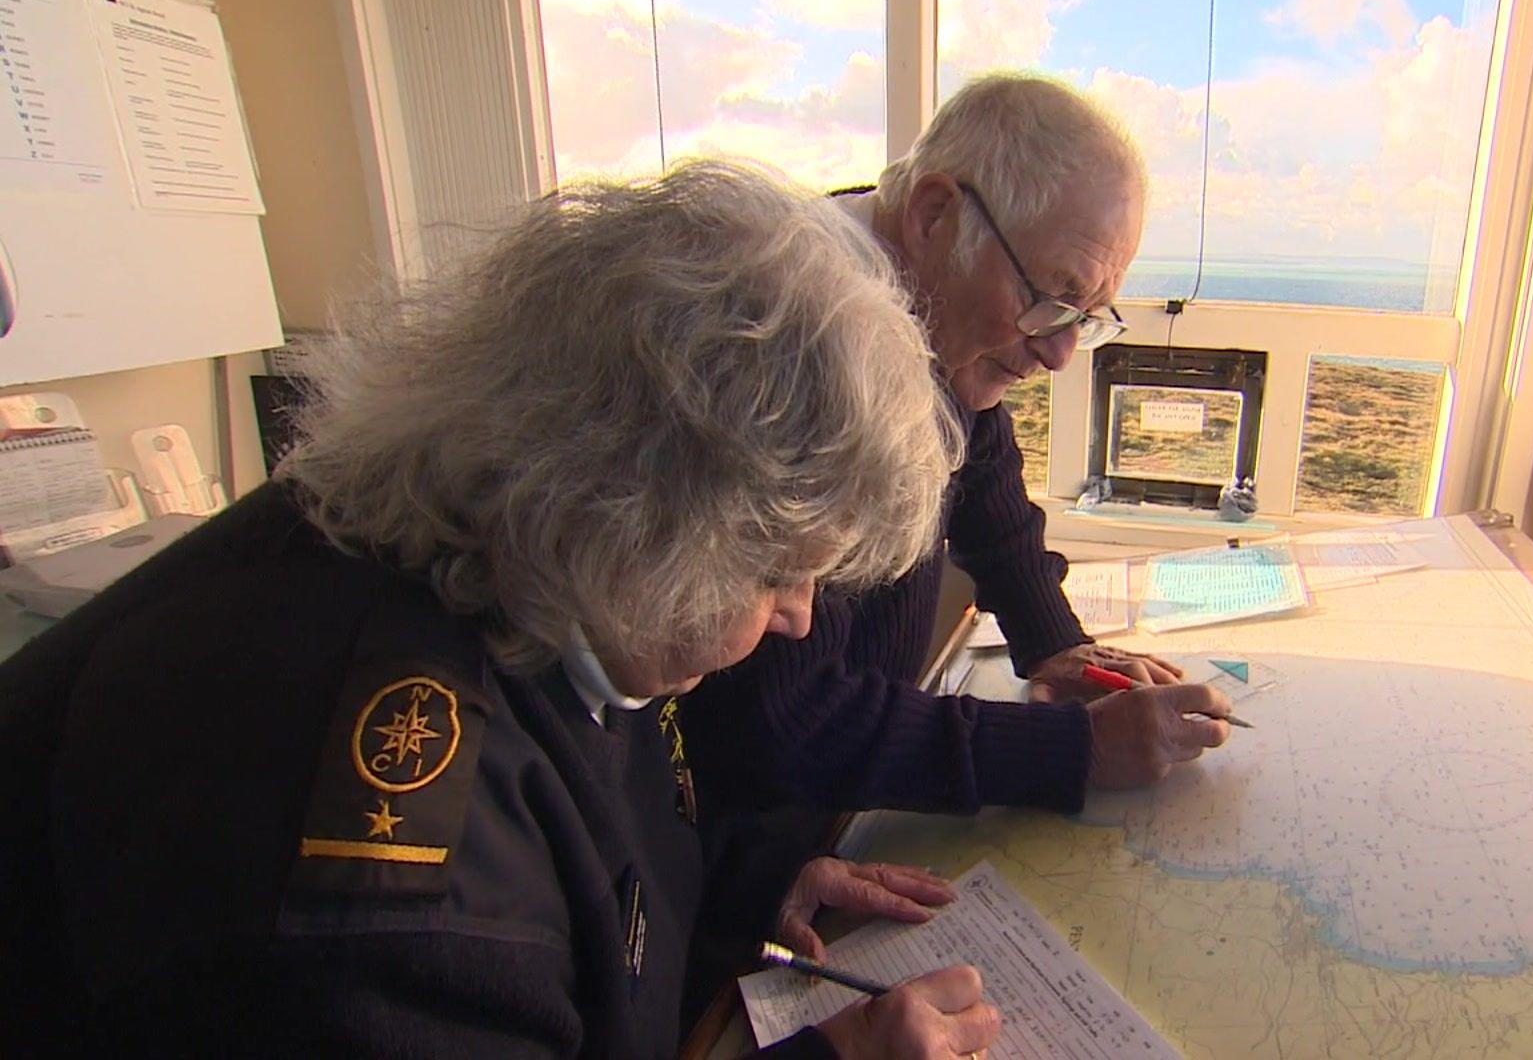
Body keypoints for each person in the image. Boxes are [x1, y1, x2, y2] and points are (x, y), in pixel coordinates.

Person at [0, 163, 1000, 1058]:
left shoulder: (527, 562)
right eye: (779, 575)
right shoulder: (389, 899)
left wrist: (752, 897)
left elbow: (604, 854)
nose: (797, 619)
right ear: (642, 530)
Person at [677, 74, 1240, 1022]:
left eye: (1089, 312)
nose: (1062, 352)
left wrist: (1053, 642)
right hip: (732, 853)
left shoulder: (934, 296)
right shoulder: (792, 348)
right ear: (938, 211)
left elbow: (981, 474)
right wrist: (1071, 752)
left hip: (817, 825)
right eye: (1053, 298)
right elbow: (788, 718)